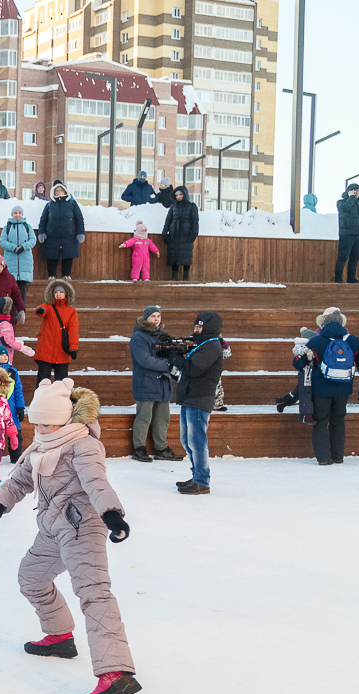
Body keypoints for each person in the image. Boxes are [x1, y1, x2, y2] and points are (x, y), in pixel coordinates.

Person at [0, 378, 141, 694]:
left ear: (66, 417)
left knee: (93, 592)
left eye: (48, 421)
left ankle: (115, 671)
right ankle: (59, 637)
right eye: (37, 421)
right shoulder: (41, 442)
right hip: (52, 527)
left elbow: (96, 482)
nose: (41, 426)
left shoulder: (82, 444)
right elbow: (21, 479)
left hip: (82, 526)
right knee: (31, 578)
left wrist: (112, 515)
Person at [292, 307, 359, 465]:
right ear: (342, 324)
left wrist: (303, 355)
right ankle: (338, 456)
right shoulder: (353, 341)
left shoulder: (315, 341)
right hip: (344, 389)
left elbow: (298, 363)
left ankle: (323, 458)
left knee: (321, 421)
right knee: (338, 420)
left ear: (324, 325)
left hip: (320, 390)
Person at [165, 311, 223, 495]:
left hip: (199, 398)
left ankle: (202, 481)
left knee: (197, 441)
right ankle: (197, 475)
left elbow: (194, 369)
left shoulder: (211, 346)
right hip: (190, 397)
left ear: (208, 329)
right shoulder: (202, 345)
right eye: (195, 326)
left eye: (199, 327)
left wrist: (174, 357)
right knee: (187, 440)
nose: (195, 330)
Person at [130, 306, 181, 463]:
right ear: (146, 318)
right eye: (153, 316)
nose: (156, 319)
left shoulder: (164, 336)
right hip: (146, 383)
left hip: (164, 385)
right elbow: (145, 360)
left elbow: (173, 354)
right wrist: (168, 365)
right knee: (144, 417)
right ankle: (139, 449)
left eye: (158, 316)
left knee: (162, 418)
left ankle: (161, 448)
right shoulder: (138, 337)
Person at [33, 278, 79, 387]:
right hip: (46, 349)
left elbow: (73, 330)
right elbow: (40, 310)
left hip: (62, 349)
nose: (58, 294)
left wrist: (73, 347)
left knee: (62, 381)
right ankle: (40, 403)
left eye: (61, 292)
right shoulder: (47, 307)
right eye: (56, 292)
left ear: (66, 294)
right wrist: (40, 311)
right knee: (43, 380)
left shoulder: (71, 311)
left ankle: (61, 403)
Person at [37, 180, 85, 279]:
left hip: (69, 236)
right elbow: (43, 220)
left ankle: (66, 275)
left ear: (65, 191)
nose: (58, 192)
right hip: (52, 236)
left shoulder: (72, 204)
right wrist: (41, 232)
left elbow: (79, 219)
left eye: (60, 190)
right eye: (56, 191)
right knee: (51, 256)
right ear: (53, 193)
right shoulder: (49, 205)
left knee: (68, 256)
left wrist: (80, 232)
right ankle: (51, 276)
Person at [0, 345, 27, 464]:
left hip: (11, 409)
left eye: (6, 355)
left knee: (16, 434)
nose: (5, 357)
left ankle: (16, 456)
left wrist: (20, 406)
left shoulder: (13, 371)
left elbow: (18, 390)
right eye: (1, 355)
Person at [335, 183, 359, 284]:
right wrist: (351, 197)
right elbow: (345, 209)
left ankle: (351, 278)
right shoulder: (341, 202)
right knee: (343, 256)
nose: (356, 192)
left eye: (358, 191)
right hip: (346, 234)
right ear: (348, 192)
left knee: (355, 257)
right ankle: (338, 278)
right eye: (353, 191)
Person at [0, 205, 37, 300]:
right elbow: (2, 241)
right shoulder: (7, 227)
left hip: (25, 262)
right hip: (11, 262)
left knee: (22, 290)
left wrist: (23, 247)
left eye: (19, 213)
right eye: (15, 213)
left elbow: (33, 240)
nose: (17, 215)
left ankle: (21, 311)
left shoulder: (27, 227)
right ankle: (11, 311)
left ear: (22, 214)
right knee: (10, 289)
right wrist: (13, 248)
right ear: (12, 214)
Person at [162, 185, 199, 281]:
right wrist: (165, 233)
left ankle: (185, 278)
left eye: (180, 194)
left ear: (185, 194)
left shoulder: (192, 206)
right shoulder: (173, 206)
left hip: (186, 235)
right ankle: (174, 277)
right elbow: (168, 220)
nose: (178, 196)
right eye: (177, 195)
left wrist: (194, 234)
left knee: (186, 256)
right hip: (174, 234)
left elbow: (195, 221)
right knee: (174, 255)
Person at [0, 297, 34, 364]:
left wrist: (15, 340)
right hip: (3, 356)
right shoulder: (4, 324)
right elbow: (6, 341)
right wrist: (21, 347)